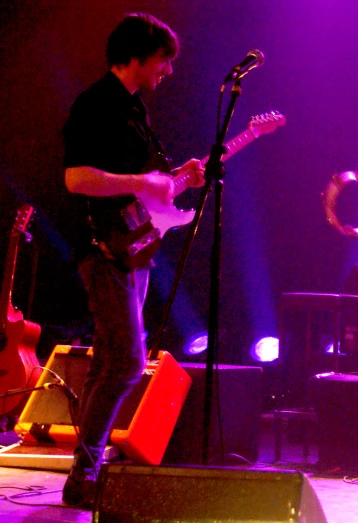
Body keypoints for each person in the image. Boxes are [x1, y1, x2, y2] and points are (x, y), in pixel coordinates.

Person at [61, 13, 204, 507]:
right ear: (138, 56)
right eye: (164, 60)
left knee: (111, 360)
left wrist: (175, 177)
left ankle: (85, 471)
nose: (168, 71)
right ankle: (85, 471)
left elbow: (143, 185)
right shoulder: (95, 104)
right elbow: (77, 179)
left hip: (134, 248)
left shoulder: (135, 110)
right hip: (101, 247)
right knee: (125, 362)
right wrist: (142, 183)